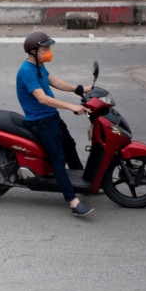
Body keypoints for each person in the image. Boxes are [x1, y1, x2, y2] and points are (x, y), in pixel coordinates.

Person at [16, 31, 94, 217]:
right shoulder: (26, 71)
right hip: (40, 122)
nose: (49, 51)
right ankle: (72, 201)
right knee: (57, 158)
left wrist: (79, 89)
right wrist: (71, 106)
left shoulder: (39, 66)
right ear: (34, 51)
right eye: (46, 48)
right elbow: (42, 98)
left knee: (70, 145)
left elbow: (54, 82)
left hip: (51, 117)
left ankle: (81, 182)